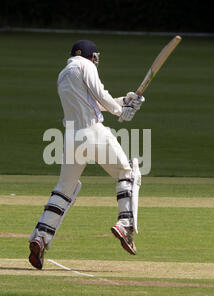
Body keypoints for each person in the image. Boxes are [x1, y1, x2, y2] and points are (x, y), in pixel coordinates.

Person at [28, 39, 145, 270]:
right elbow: (100, 94)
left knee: (65, 189)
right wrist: (121, 111)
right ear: (92, 57)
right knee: (128, 172)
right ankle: (125, 223)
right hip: (92, 131)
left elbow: (92, 101)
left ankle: (40, 237)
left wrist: (125, 101)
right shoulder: (86, 65)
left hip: (71, 138)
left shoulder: (64, 73)